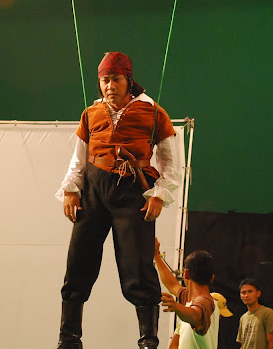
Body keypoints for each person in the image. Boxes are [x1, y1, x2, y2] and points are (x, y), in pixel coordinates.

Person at [55, 51, 181, 349]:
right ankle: (69, 338)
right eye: (105, 81)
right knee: (79, 260)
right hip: (94, 191)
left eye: (116, 79)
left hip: (133, 192)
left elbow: (171, 164)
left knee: (137, 264)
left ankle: (148, 340)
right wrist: (71, 190)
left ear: (128, 81)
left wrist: (159, 195)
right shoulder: (91, 112)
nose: (110, 86)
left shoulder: (153, 112)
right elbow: (79, 158)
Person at [154, 237, 221, 349]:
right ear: (212, 278)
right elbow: (172, 285)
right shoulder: (188, 300)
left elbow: (195, 315)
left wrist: (177, 307)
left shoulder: (206, 302)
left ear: (186, 273)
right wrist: (156, 255)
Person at [236, 279, 273, 349]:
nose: (246, 295)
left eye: (250, 291)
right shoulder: (243, 318)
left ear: (258, 293)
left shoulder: (267, 313)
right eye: (243, 292)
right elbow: (243, 344)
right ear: (240, 296)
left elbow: (271, 342)